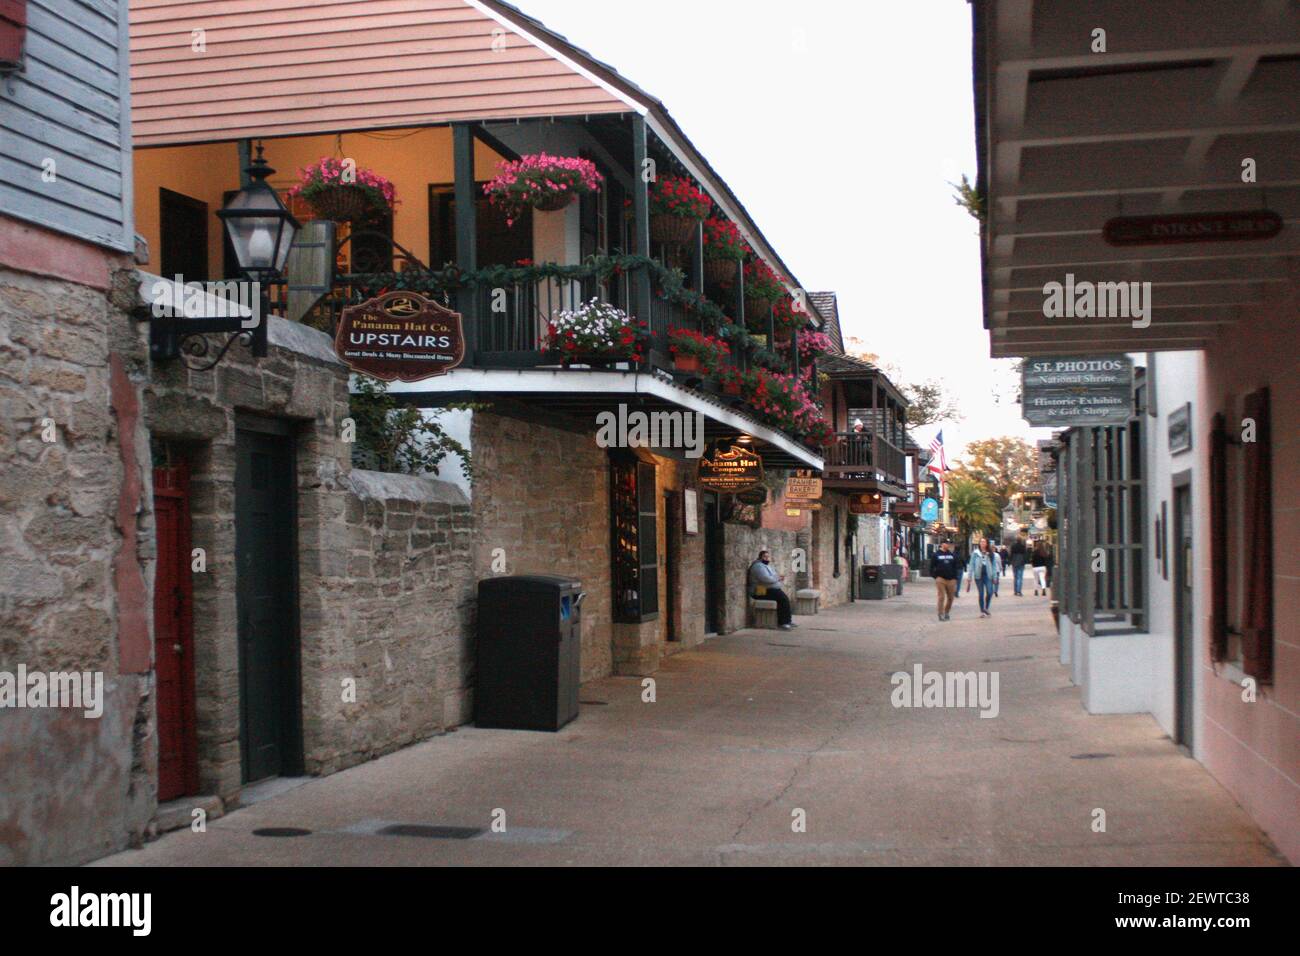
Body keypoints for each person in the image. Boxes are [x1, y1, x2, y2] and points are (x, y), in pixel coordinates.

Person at [748, 549, 795, 630]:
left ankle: (787, 621)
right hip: (759, 591)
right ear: (760, 557)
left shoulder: (766, 566)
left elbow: (773, 576)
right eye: (764, 557)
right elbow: (766, 579)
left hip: (767, 589)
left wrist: (776, 578)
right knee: (782, 598)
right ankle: (783, 622)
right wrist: (777, 578)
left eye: (767, 557)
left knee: (783, 598)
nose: (766, 558)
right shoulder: (758, 566)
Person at [966, 537, 997, 616]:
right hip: (978, 576)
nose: (982, 543)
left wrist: (995, 577)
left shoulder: (990, 553)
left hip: (988, 575)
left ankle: (986, 607)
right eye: (981, 542)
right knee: (981, 593)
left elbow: (994, 566)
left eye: (984, 542)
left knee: (990, 592)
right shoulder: (975, 553)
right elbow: (971, 565)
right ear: (979, 543)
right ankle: (982, 611)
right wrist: (969, 576)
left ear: (987, 544)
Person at [929, 540, 959, 621]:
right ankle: (940, 614)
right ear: (942, 544)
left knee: (951, 598)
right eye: (946, 543)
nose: (948, 545)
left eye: (949, 543)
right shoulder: (936, 555)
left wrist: (955, 578)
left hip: (951, 579)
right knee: (941, 596)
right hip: (940, 579)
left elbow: (956, 567)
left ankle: (947, 612)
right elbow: (931, 567)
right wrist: (936, 577)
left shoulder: (952, 555)